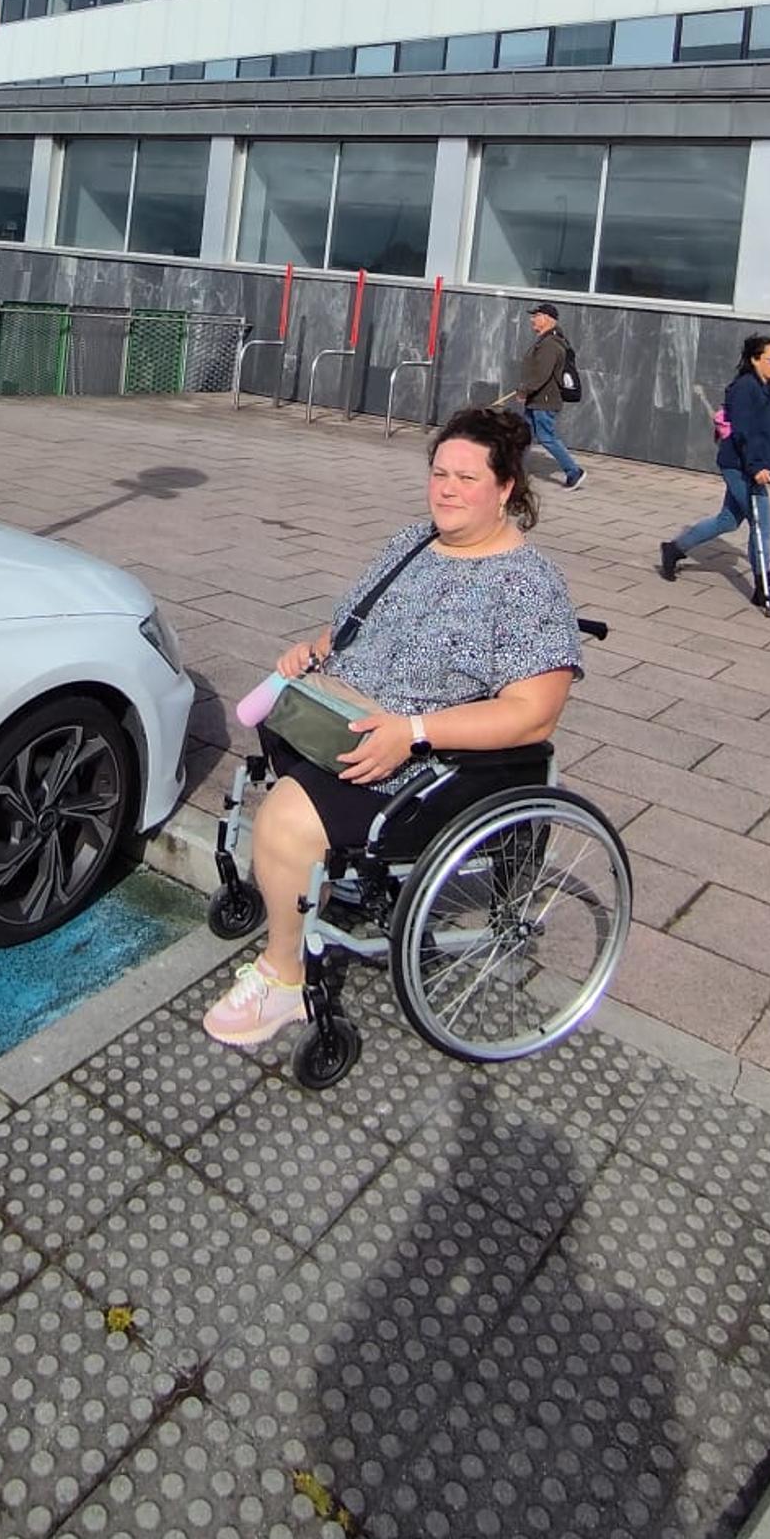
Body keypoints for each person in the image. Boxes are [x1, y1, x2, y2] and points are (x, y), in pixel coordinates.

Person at [203, 405, 583, 1049]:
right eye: (440, 473)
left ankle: (285, 979)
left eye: (467, 478)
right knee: (280, 780)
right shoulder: (412, 543)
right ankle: (303, 882)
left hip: (426, 764)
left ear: (506, 488)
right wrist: (316, 649)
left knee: (285, 819)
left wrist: (412, 730)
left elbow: (533, 712)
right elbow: (355, 623)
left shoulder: (529, 585)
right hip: (344, 721)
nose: (448, 489)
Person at [659, 334, 770, 612]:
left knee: (727, 520)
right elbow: (742, 434)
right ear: (755, 359)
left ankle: (674, 549)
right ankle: (764, 589)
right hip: (740, 466)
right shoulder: (744, 389)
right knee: (762, 524)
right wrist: (756, 467)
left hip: (756, 466)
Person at [515, 302, 585, 487]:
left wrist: (524, 391)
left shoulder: (550, 344)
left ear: (547, 319)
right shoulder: (546, 341)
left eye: (535, 316)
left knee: (546, 437)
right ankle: (515, 472)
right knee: (524, 435)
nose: (532, 319)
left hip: (544, 400)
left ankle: (574, 471)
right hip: (536, 399)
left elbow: (541, 374)